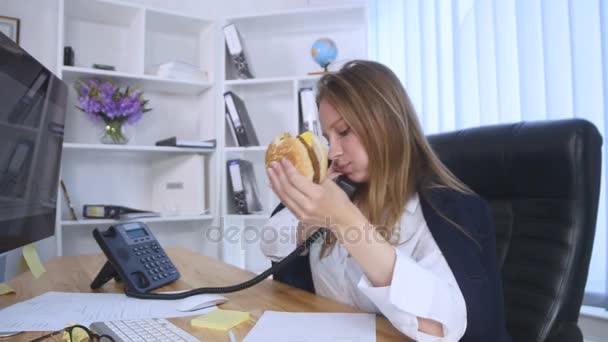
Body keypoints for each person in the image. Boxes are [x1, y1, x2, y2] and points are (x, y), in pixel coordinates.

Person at [261, 60, 511, 342]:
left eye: (344, 132)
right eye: (327, 136)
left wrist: (345, 220)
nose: (333, 153)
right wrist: (307, 218)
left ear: (386, 124)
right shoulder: (340, 187)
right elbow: (270, 240)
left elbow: (444, 328)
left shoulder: (451, 211)